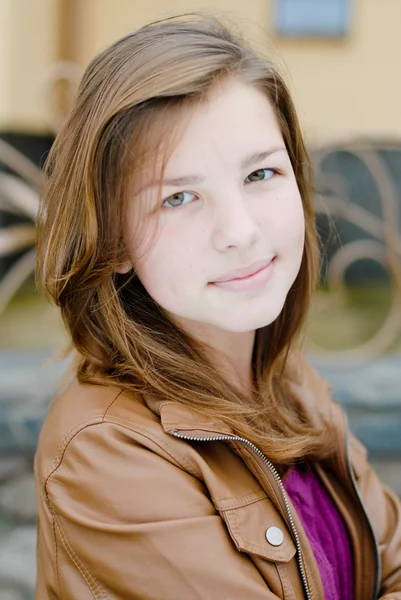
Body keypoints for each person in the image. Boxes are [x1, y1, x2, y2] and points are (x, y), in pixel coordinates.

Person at [34, 13, 401, 600]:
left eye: (261, 172)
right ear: (116, 239)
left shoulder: (285, 381)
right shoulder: (105, 452)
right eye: (179, 197)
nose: (240, 231)